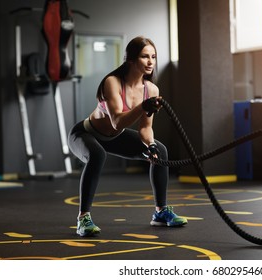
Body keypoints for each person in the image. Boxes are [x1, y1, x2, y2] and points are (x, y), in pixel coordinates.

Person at [68, 36, 187, 237]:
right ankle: (83, 219)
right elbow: (117, 121)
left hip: (115, 137)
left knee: (160, 150)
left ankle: (160, 213)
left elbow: (145, 128)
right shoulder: (112, 82)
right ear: (131, 59)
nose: (150, 62)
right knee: (97, 154)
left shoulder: (151, 89)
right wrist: (143, 106)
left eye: (153, 57)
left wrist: (149, 144)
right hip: (86, 134)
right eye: (144, 57)